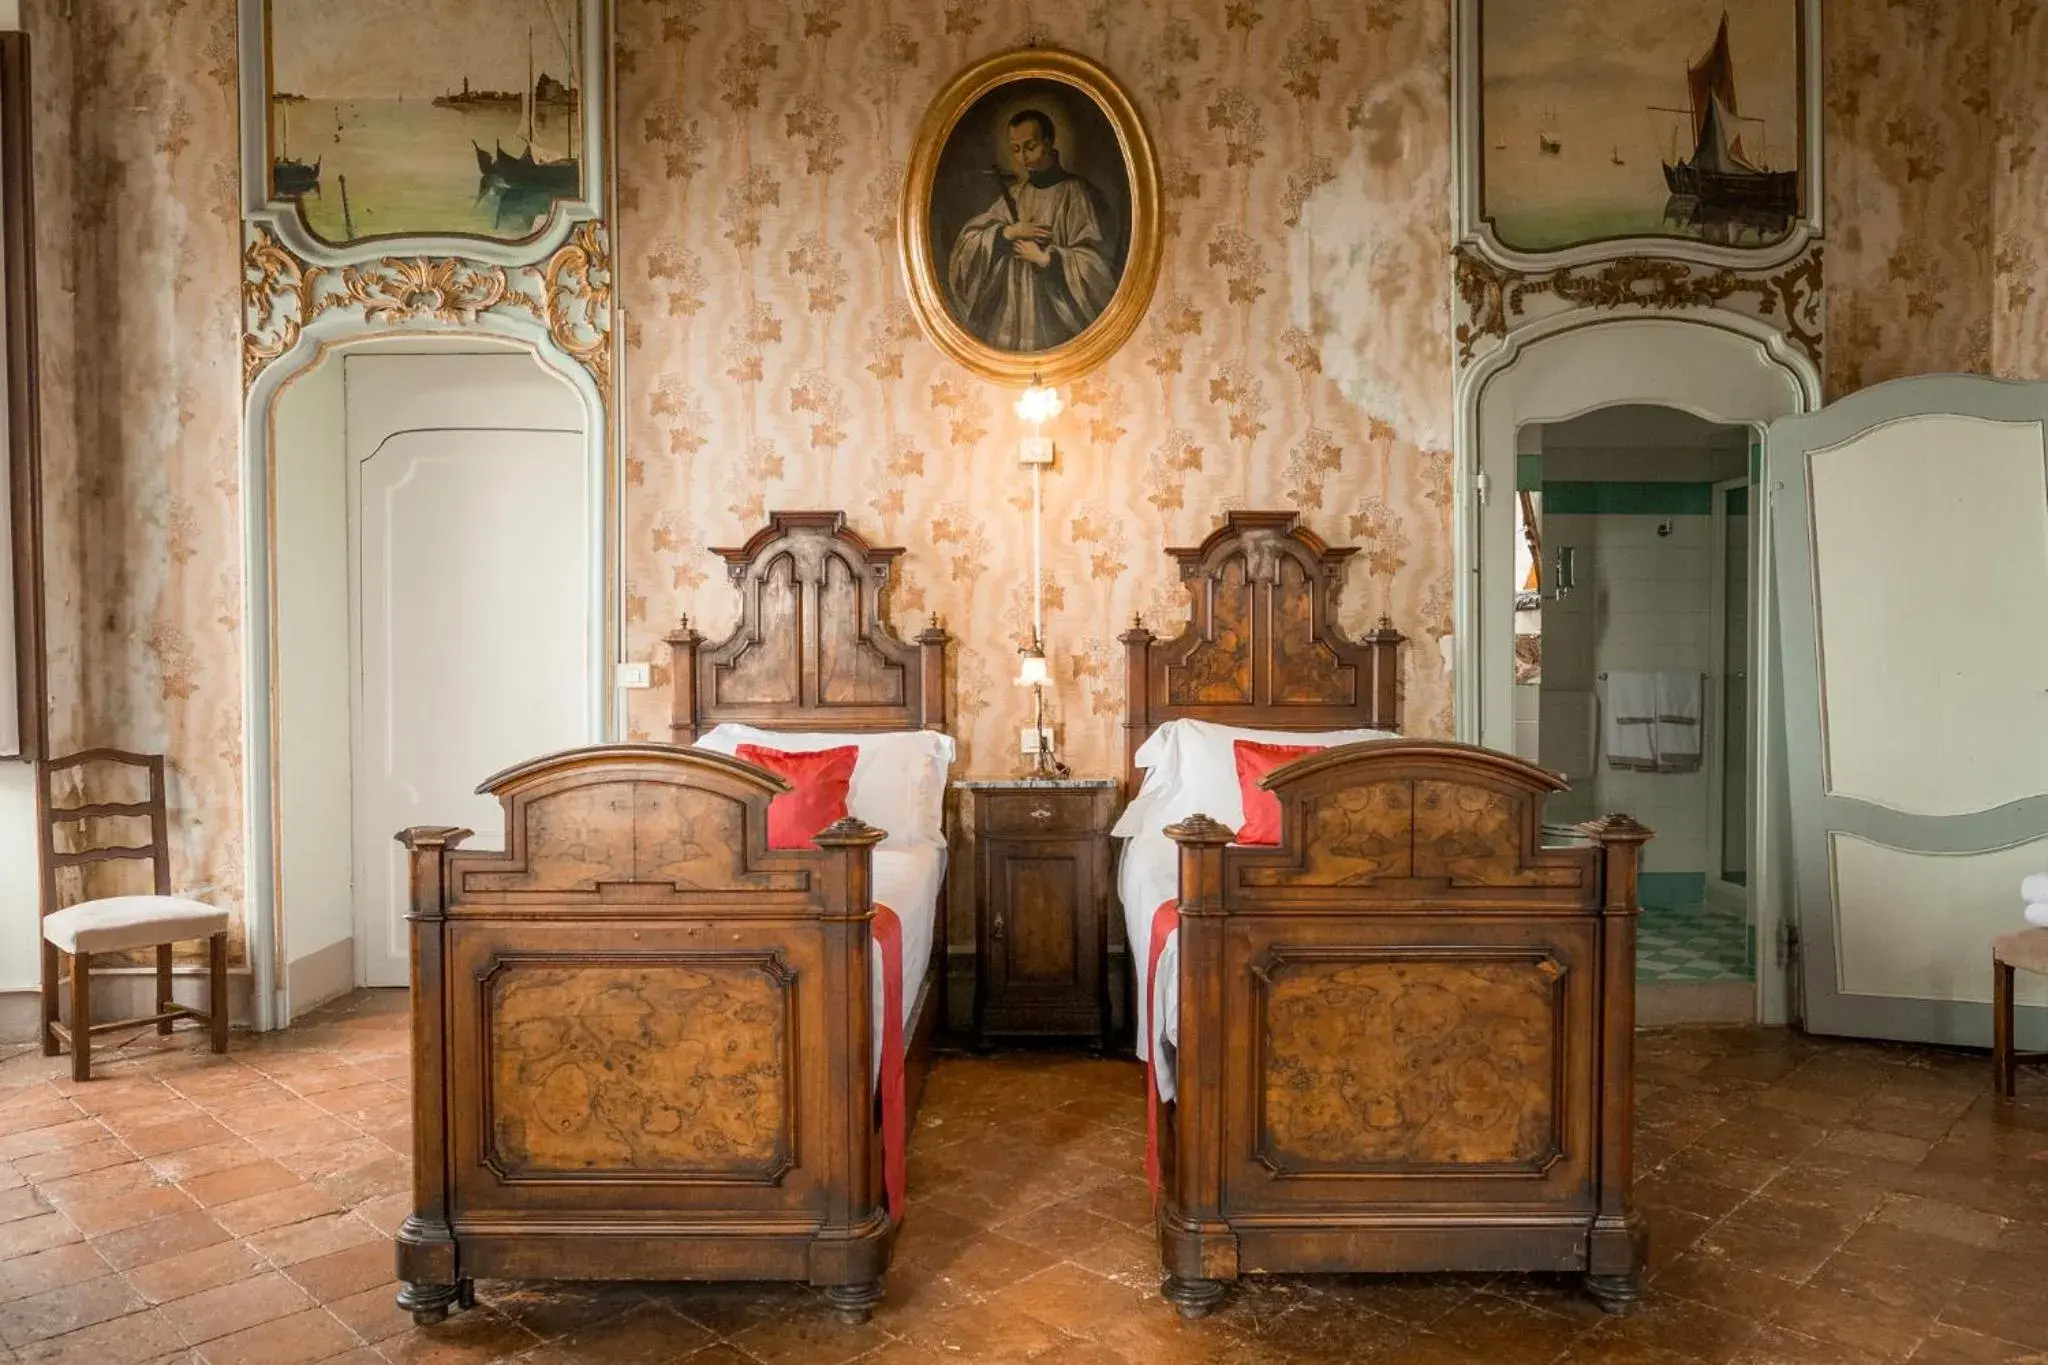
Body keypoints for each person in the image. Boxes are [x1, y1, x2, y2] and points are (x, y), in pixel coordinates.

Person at [945, 109, 1120, 352]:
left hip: (1055, 317)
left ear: (1048, 143)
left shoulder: (1076, 194)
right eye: (1016, 149)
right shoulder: (1016, 194)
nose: (1023, 157)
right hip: (1015, 312)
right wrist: (1008, 233)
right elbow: (969, 242)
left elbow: (1095, 264)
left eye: (1030, 146)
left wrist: (1047, 259)